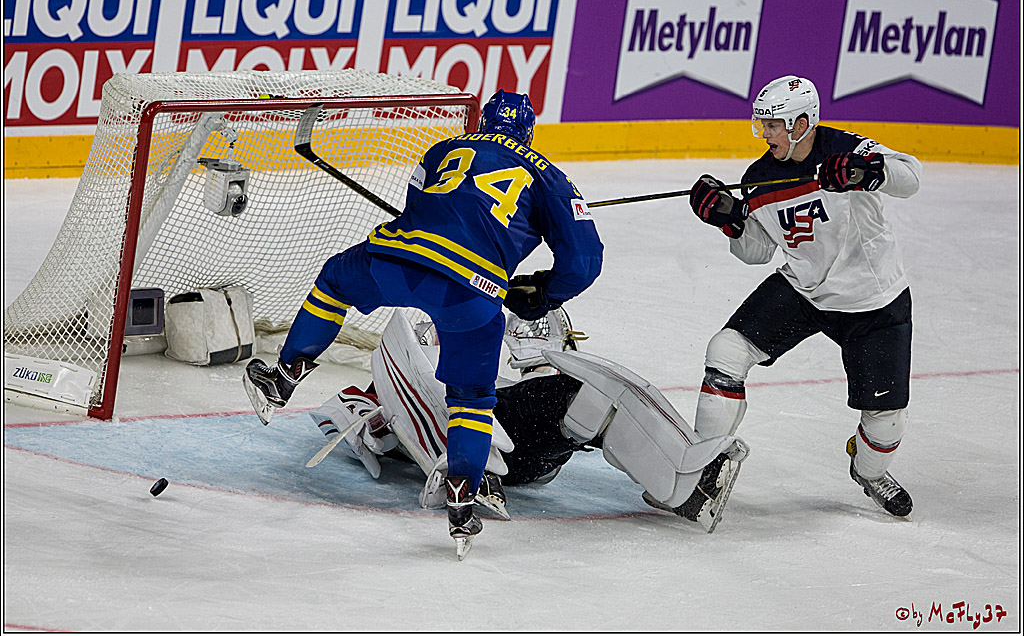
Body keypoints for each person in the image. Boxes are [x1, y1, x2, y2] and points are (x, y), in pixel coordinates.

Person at [243, 90, 604, 558]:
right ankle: (462, 497)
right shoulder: (552, 178)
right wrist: (542, 293)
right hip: (471, 292)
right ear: (530, 132)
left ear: (484, 122)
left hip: (396, 261)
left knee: (334, 282)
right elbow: (585, 260)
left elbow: (420, 205)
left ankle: (286, 375)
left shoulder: (444, 149)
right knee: (471, 399)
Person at [686, 75, 922, 518]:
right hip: (803, 288)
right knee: (726, 350)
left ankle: (868, 471)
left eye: (773, 125)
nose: (765, 133)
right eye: (763, 124)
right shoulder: (758, 179)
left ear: (801, 122)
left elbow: (910, 177)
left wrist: (864, 172)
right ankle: (704, 469)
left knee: (886, 422)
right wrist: (729, 218)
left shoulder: (847, 149)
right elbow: (757, 251)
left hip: (872, 300)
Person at [306, 307, 749, 534]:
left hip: (517, 448)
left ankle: (691, 484)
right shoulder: (400, 370)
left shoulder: (487, 359)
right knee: (577, 396)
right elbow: (341, 412)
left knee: (592, 396)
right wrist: (380, 426)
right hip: (484, 450)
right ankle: (691, 489)